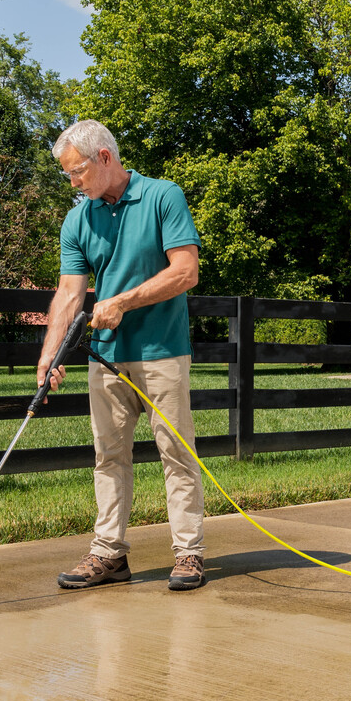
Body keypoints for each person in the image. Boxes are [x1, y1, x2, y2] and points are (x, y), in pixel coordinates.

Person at [36, 119, 207, 592]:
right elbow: (70, 293)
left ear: (104, 158)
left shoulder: (162, 196)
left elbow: (186, 272)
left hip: (162, 352)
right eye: (68, 174)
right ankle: (109, 554)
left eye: (76, 172)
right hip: (105, 357)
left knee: (176, 453)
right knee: (109, 455)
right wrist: (50, 354)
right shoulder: (78, 218)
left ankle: (188, 554)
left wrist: (123, 301)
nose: (72, 183)